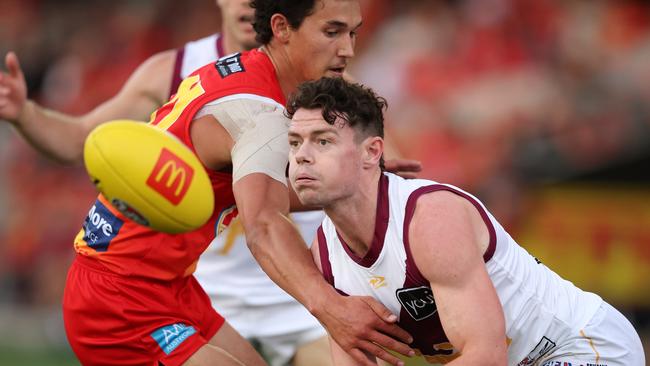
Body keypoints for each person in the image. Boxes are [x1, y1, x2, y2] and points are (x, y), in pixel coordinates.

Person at [3, 1, 421, 365]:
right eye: (332, 32)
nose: (348, 49)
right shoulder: (260, 113)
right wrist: (333, 310)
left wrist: (349, 183)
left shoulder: (236, 70)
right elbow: (264, 225)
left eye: (353, 32)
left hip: (170, 285)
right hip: (120, 300)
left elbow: (256, 187)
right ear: (281, 28)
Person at [286, 77, 646, 366]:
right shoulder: (325, 256)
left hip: (579, 345)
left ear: (372, 152)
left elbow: (486, 356)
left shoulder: (429, 219)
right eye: (295, 142)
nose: (302, 156)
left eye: (322, 141)